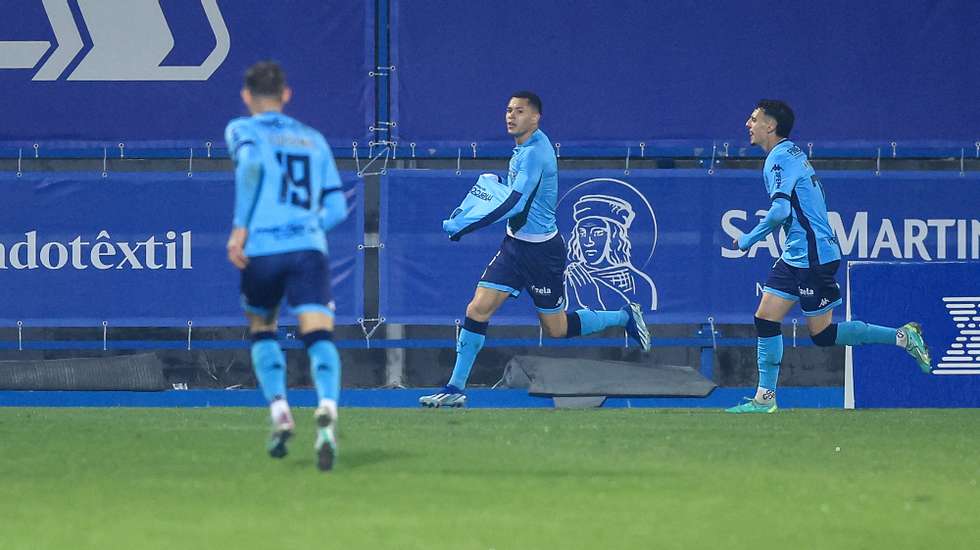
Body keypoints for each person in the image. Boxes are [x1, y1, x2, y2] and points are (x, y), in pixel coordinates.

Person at [420, 91, 650, 408]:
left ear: (536, 117)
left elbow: (516, 202)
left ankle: (623, 316)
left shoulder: (535, 153)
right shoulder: (522, 148)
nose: (510, 116)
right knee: (477, 309)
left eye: (519, 111)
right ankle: (455, 388)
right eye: (508, 110)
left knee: (556, 329)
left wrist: (466, 225)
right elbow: (511, 198)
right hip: (514, 247)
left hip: (543, 253)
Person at [727, 99, 931, 414]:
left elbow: (780, 210)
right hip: (797, 254)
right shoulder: (789, 154)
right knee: (766, 318)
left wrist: (748, 239)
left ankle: (903, 336)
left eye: (754, 118)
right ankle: (764, 399)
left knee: (822, 335)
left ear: (771, 125)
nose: (747, 124)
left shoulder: (778, 159)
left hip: (813, 257)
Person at [224, 61, 348, 469]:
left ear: (246, 96)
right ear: (286, 94)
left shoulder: (242, 129)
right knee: (319, 334)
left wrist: (240, 229)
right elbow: (335, 207)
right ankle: (326, 410)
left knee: (262, 327)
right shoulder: (313, 139)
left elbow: (252, 167)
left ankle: (279, 408)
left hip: (262, 248)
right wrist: (308, 228)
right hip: (306, 248)